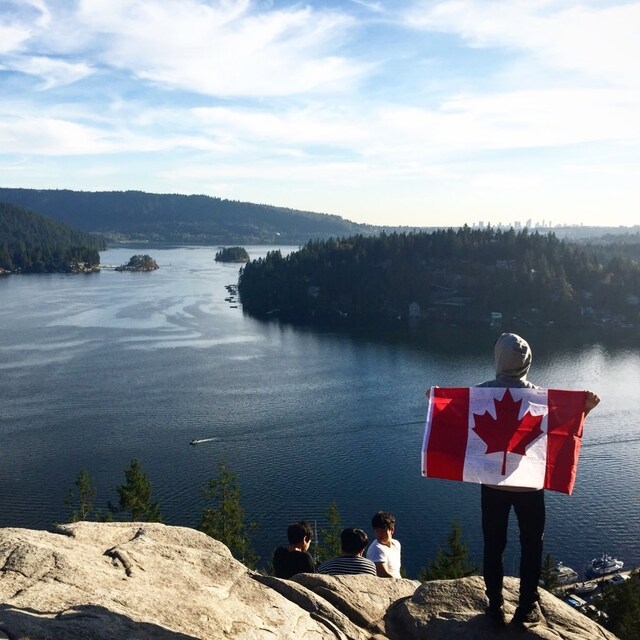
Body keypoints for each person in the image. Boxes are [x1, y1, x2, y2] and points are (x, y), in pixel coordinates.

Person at [477, 333, 600, 628]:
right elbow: (563, 430)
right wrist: (584, 409)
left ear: (498, 358)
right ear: (528, 361)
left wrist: (436, 402)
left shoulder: (479, 394)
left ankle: (494, 607)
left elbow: (453, 418)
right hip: (530, 485)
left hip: (493, 485)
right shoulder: (541, 398)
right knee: (531, 545)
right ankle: (526, 607)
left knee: (493, 545)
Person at [365, 511, 402, 578]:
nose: (380, 534)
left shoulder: (396, 544)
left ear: (392, 530)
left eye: (383, 531)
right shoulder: (376, 548)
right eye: (377, 531)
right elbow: (383, 575)